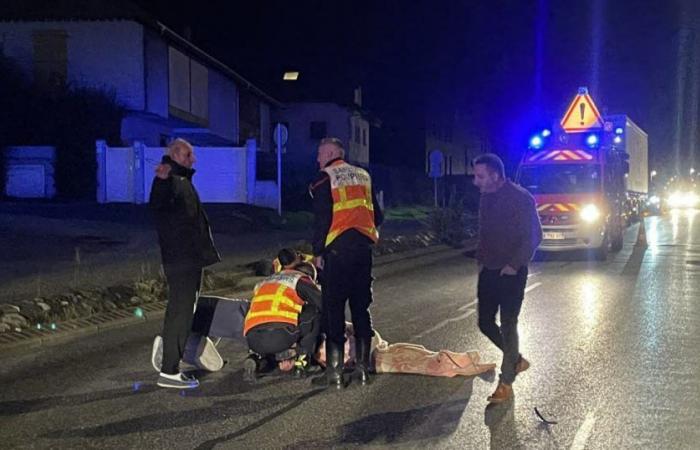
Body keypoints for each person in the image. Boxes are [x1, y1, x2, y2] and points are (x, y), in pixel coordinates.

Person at [308, 137, 383, 389]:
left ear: (330, 152)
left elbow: (321, 220)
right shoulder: (364, 176)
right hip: (363, 252)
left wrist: (317, 252)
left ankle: (335, 374)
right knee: (361, 309)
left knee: (334, 310)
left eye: (319, 154)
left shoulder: (324, 178)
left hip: (337, 255)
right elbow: (378, 215)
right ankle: (362, 371)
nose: (317, 159)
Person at [149, 138, 221, 389]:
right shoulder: (172, 181)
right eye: (189, 155)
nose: (194, 159)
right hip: (183, 261)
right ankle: (170, 370)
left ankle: (170, 359)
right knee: (180, 313)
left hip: (186, 259)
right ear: (177, 156)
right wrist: (161, 181)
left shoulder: (181, 181)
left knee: (181, 311)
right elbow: (158, 205)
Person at [472, 153, 542, 403]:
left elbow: (534, 236)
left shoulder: (521, 198)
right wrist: (481, 260)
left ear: (495, 175)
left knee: (508, 323)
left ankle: (506, 381)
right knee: (484, 322)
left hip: (511, 272)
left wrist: (514, 265)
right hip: (489, 270)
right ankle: (515, 359)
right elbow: (485, 232)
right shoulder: (486, 197)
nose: (475, 181)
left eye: (480, 176)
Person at [316, 323, 497, 378]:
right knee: (414, 360)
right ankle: (455, 365)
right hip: (372, 357)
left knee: (415, 350)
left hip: (375, 348)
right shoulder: (319, 347)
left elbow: (353, 326)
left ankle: (456, 361)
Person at [243, 261, 323, 380]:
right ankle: (302, 361)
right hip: (281, 335)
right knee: (314, 312)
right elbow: (323, 304)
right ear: (309, 276)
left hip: (252, 339)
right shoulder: (299, 279)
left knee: (269, 325)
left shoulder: (266, 281)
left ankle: (256, 358)